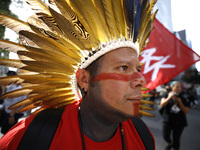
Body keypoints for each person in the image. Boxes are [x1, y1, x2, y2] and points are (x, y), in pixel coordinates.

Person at [0, 0, 158, 149]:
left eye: (138, 69)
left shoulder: (143, 137)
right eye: (123, 67)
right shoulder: (29, 137)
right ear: (84, 79)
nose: (141, 80)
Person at [160, 81, 189, 150]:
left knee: (176, 139)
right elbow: (162, 104)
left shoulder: (183, 98)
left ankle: (175, 147)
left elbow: (186, 111)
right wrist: (169, 97)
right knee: (165, 136)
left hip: (179, 122)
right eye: (177, 86)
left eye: (180, 87)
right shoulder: (166, 95)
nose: (179, 88)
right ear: (172, 87)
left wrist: (179, 101)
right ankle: (170, 143)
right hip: (167, 120)